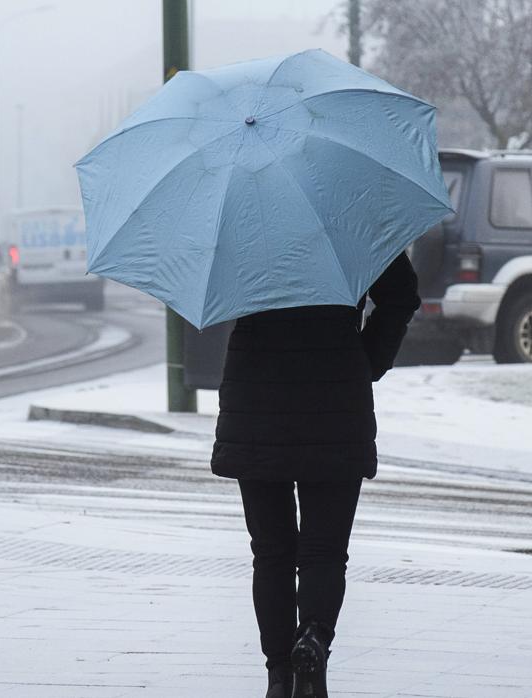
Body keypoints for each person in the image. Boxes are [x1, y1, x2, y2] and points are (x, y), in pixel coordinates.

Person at [210, 253, 420, 698]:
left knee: (271, 552)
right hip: (336, 396)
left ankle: (278, 676)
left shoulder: (239, 221)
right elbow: (402, 294)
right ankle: (314, 641)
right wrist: (367, 360)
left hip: (257, 399)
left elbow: (213, 294)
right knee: (324, 549)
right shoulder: (352, 218)